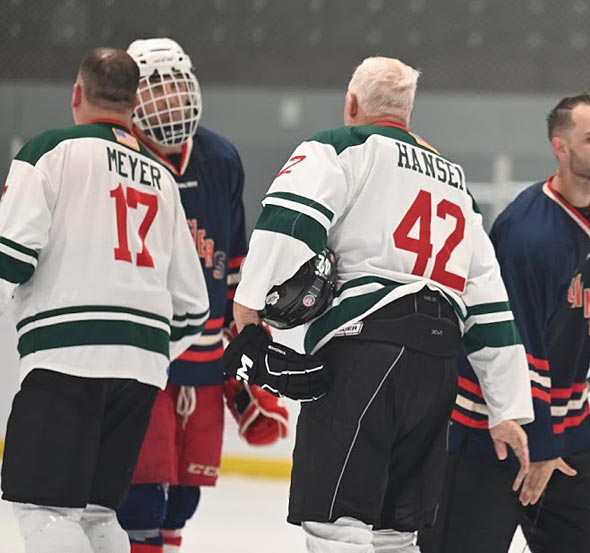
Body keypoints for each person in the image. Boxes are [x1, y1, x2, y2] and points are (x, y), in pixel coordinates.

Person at [223, 56, 533, 553]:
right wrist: (507, 407)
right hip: (436, 368)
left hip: (364, 353)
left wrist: (248, 315)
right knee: (395, 536)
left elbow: (289, 220)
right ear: (408, 113)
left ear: (352, 103)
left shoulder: (341, 146)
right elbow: (488, 301)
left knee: (336, 528)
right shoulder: (456, 183)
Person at [418, 94, 590, 553]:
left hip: (566, 424)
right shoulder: (530, 236)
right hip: (494, 429)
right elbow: (518, 346)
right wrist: (541, 445)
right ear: (560, 147)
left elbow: (581, 301)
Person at [0, 48, 209, 553]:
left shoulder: (50, 150)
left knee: (45, 512)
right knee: (97, 515)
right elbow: (193, 305)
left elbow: (10, 256)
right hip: (138, 371)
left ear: (77, 94)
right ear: (135, 104)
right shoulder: (162, 178)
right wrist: (144, 349)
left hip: (66, 360)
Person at [113, 38, 289, 553]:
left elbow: (235, 264)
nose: (169, 102)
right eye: (157, 90)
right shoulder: (118, 155)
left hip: (204, 350)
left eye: (176, 88)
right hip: (140, 347)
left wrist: (250, 365)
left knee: (184, 497)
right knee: (141, 488)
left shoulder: (219, 158)